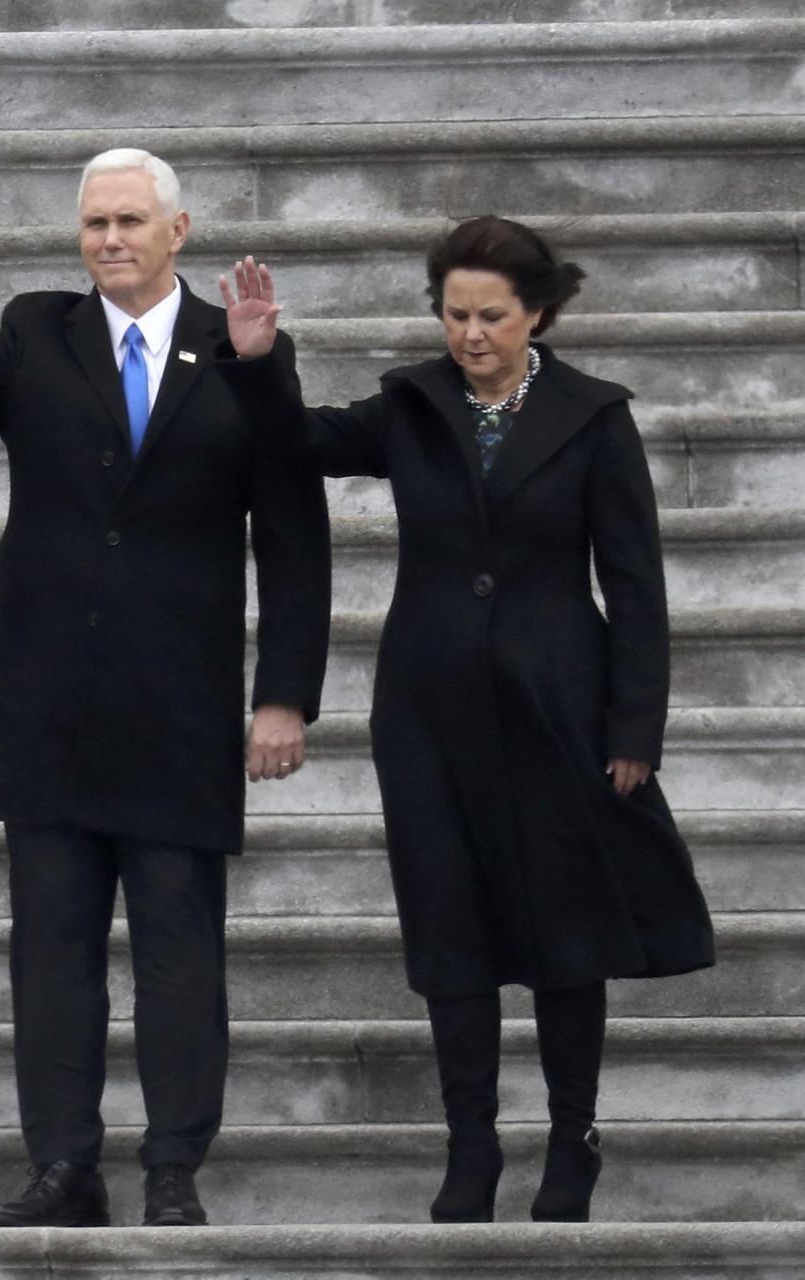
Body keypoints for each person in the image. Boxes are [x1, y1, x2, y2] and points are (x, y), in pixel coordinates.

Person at [0, 153, 331, 1227]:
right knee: (51, 951)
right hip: (51, 699)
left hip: (181, 705)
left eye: (128, 221)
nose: (107, 238)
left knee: (178, 952)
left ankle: (172, 1166)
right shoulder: (36, 332)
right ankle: (62, 1163)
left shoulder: (241, 352)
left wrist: (282, 692)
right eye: (93, 221)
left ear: (177, 228)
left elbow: (292, 535)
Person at [219, 217, 715, 1223]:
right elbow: (297, 442)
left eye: (491, 315)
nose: (470, 333)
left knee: (566, 928)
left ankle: (570, 1140)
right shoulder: (412, 403)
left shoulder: (589, 417)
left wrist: (633, 729)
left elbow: (633, 583)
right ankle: (470, 1146)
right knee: (449, 927)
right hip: (427, 712)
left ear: (536, 313)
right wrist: (260, 359)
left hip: (559, 712)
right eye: (454, 314)